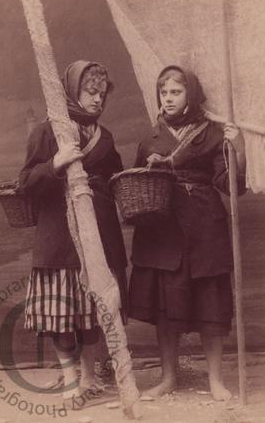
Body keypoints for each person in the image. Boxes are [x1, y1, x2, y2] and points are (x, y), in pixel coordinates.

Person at [129, 65, 246, 401]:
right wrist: (150, 165)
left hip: (203, 228)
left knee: (210, 305)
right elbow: (137, 181)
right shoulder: (149, 138)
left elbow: (230, 186)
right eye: (164, 92)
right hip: (163, 231)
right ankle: (168, 378)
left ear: (190, 95)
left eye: (176, 92)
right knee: (166, 308)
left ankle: (215, 380)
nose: (168, 98)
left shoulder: (212, 134)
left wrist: (236, 149)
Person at [19, 60, 128, 407]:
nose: (97, 100)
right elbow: (26, 183)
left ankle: (91, 376)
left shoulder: (104, 137)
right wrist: (56, 163)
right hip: (61, 236)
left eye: (101, 94)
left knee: (94, 310)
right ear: (72, 91)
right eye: (90, 92)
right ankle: (70, 381)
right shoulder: (49, 131)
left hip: (99, 232)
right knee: (63, 313)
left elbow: (116, 180)